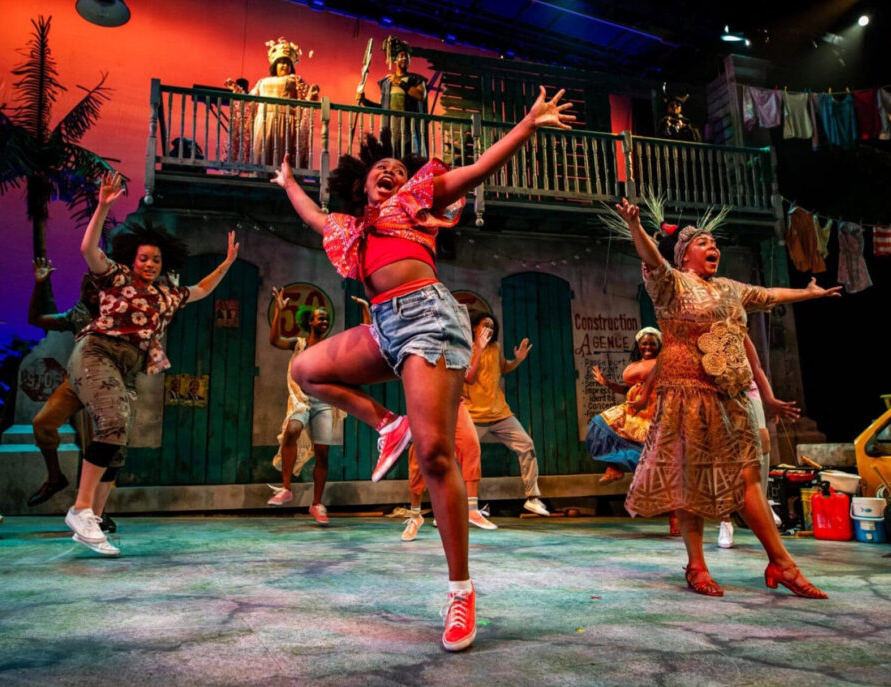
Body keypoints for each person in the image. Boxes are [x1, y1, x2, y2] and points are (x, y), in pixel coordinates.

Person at [271, 86, 574, 651]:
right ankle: (388, 424)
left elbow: (480, 168)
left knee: (436, 455)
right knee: (308, 369)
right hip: (384, 325)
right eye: (379, 170)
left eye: (395, 168)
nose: (389, 172)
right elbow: (313, 215)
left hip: (428, 318)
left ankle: (460, 590)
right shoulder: (349, 226)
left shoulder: (417, 199)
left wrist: (528, 125)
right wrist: (288, 183)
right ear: (362, 184)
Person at [616, 197, 839, 598]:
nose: (712, 246)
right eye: (702, 242)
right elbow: (652, 259)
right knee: (689, 480)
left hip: (730, 395)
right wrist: (635, 228)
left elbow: (768, 294)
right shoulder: (673, 284)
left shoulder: (730, 289)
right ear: (685, 257)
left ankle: (781, 563)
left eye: (714, 242)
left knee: (749, 477)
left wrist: (809, 296)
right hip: (687, 394)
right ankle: (697, 566)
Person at [64, 171, 239, 557]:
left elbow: (204, 288)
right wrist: (103, 207)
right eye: (144, 257)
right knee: (111, 422)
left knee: (119, 441)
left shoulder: (168, 295)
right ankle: (79, 509)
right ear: (133, 259)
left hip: (127, 366)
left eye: (155, 259)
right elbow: (88, 249)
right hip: (97, 352)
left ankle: (93, 518)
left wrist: (227, 262)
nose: (149, 263)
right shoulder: (117, 276)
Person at [27, 258, 119, 532]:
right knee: (42, 423)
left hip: (107, 383)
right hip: (78, 381)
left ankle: (99, 511)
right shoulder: (76, 314)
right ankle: (55, 477)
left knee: (107, 445)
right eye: (87, 288)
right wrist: (41, 285)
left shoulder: (119, 312)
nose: (92, 293)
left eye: (97, 288)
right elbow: (36, 319)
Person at [587, 327, 677, 535]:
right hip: (633, 409)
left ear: (659, 345)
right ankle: (614, 467)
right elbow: (628, 389)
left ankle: (675, 519)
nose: (647, 346)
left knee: (662, 467)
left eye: (652, 343)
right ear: (638, 344)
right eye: (644, 343)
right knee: (600, 425)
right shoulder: (636, 364)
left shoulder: (664, 363)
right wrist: (607, 383)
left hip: (653, 412)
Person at [267, 286, 343, 526]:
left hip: (323, 403)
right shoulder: (299, 344)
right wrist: (280, 312)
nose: (324, 321)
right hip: (301, 400)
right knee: (292, 430)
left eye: (326, 319)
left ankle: (317, 503)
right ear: (310, 322)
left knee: (322, 455)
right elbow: (274, 340)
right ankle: (287, 487)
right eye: (320, 318)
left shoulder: (330, 346)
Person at [463, 313, 550, 517]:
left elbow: (502, 368)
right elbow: (469, 377)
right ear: (475, 328)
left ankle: (532, 498)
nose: (489, 329)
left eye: (492, 327)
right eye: (485, 325)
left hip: (500, 412)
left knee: (527, 445)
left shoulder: (496, 347)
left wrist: (517, 360)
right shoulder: (466, 348)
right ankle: (461, 508)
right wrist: (479, 350)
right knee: (464, 459)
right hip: (474, 415)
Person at [718, 336, 801, 548]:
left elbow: (756, 368)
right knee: (724, 456)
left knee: (761, 442)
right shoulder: (701, 331)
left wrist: (770, 399)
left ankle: (762, 501)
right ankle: (725, 520)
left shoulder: (739, 332)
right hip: (719, 396)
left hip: (748, 392)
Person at [402, 400, 496, 541]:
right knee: (418, 460)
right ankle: (415, 517)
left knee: (471, 445)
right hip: (425, 403)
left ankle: (472, 509)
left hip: (453, 400)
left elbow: (468, 378)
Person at [250, 37, 319, 169]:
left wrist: (312, 94)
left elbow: (306, 96)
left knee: (282, 151)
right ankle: (260, 174)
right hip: (264, 120)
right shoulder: (262, 81)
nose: (285, 66)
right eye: (281, 62)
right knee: (261, 151)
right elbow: (250, 100)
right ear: (275, 65)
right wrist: (236, 90)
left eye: (288, 64)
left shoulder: (295, 79)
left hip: (285, 119)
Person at [357, 36, 428, 155]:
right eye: (401, 56)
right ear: (395, 59)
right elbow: (383, 108)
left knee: (410, 161)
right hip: (391, 131)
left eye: (407, 56)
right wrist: (365, 101)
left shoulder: (416, 80)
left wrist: (400, 83)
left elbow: (421, 96)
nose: (404, 58)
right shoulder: (386, 82)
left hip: (409, 130)